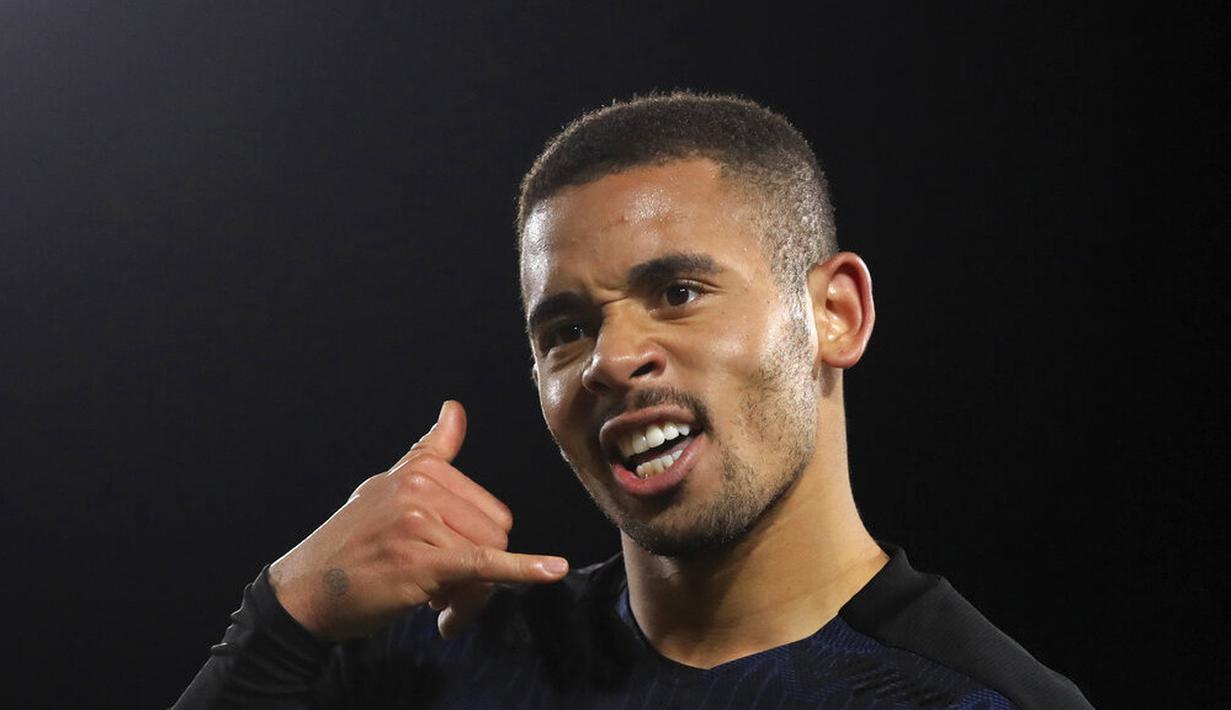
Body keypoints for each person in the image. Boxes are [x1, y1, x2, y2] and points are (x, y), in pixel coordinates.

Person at [175, 92, 1092, 709]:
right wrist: (284, 615)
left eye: (678, 293)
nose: (609, 361)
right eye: (565, 329)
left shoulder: (973, 699)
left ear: (834, 315)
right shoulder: (436, 663)